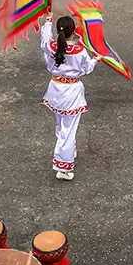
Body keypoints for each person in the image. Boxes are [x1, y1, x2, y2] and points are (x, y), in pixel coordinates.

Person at [40, 12, 101, 180]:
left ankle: (67, 150)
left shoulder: (51, 46)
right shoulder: (79, 51)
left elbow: (45, 38)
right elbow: (86, 69)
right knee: (69, 129)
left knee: (61, 125)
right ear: (73, 31)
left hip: (55, 89)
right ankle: (63, 166)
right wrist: (96, 60)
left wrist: (48, 20)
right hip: (71, 93)